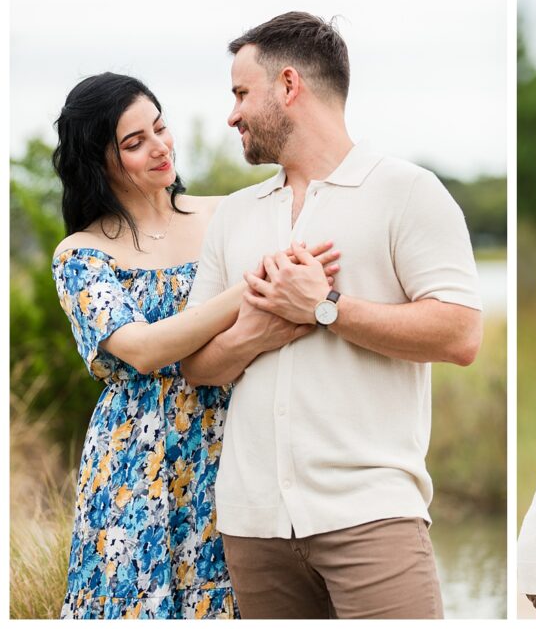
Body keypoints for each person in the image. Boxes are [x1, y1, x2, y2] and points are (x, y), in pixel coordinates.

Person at [179, 11, 483, 620]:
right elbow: (195, 365)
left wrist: (325, 308)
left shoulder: (409, 192)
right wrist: (259, 333)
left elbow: (460, 334)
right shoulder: (234, 216)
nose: (232, 114)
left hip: (371, 517)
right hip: (253, 526)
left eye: (241, 93)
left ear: (288, 86)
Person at [51, 73, 340, 619]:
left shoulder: (224, 214)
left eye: (160, 129)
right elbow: (141, 349)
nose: (160, 147)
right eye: (134, 143)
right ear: (98, 162)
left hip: (235, 441)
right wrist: (251, 287)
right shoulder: (81, 253)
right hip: (135, 460)